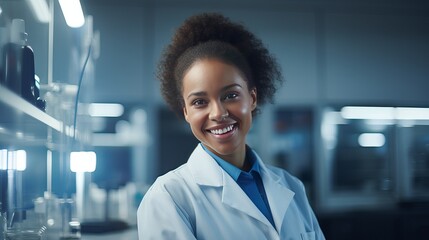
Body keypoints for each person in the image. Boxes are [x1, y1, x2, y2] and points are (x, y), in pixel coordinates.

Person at [137, 12, 325, 240]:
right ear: (186, 111)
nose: (218, 113)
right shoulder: (169, 198)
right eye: (199, 102)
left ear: (252, 98)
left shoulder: (291, 186)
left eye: (230, 95)